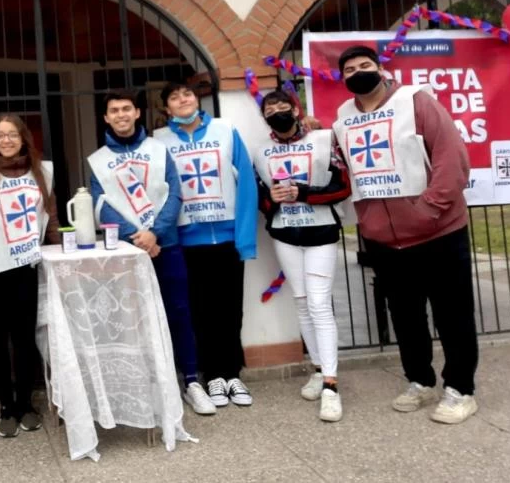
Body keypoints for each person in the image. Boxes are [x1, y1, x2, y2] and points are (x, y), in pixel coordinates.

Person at [333, 45, 477, 424]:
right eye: (350, 69)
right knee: (406, 317)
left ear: (381, 70)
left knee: (453, 314)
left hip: (438, 230)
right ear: (343, 79)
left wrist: (430, 209)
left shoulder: (416, 101)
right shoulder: (342, 120)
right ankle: (420, 380)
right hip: (384, 239)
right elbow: (342, 167)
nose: (358, 72)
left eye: (366, 65)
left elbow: (450, 156)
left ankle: (460, 388)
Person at [90, 90, 216, 416]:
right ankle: (150, 383)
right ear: (106, 117)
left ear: (137, 113)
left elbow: (175, 193)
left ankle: (190, 380)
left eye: (126, 109)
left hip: (167, 245)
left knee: (179, 312)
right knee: (135, 317)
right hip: (128, 252)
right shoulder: (98, 160)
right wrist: (139, 238)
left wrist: (154, 233)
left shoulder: (158, 151)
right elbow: (100, 204)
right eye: (114, 110)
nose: (120, 115)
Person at [153, 82, 257, 409]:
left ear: (196, 99)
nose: (183, 99)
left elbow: (247, 184)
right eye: (174, 97)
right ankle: (211, 374)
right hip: (185, 241)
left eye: (187, 94)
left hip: (226, 237)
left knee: (230, 307)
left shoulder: (226, 131)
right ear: (166, 108)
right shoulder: (159, 141)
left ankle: (232, 373)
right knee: (199, 309)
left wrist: (244, 238)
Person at [253, 89, 351, 422]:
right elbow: (261, 201)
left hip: (320, 233)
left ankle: (331, 386)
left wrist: (304, 193)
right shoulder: (261, 152)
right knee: (301, 301)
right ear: (264, 116)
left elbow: (343, 186)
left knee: (320, 304)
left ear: (297, 110)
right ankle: (319, 368)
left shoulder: (325, 140)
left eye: (284, 106)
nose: (278, 111)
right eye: (271, 108)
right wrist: (276, 199)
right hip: (285, 235)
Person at [0, 114, 60, 438]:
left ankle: (25, 403)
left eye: (12, 134)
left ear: (23, 138)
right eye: (1, 135)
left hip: (27, 266)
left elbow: (52, 218)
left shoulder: (41, 172)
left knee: (24, 337)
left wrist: (60, 253)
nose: (6, 140)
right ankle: (5, 404)